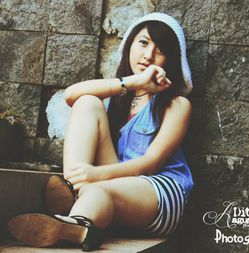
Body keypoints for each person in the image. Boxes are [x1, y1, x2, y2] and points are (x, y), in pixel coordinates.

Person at [8, 12, 194, 252]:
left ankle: (72, 214)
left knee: (98, 190)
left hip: (159, 193)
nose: (148, 55)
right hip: (114, 182)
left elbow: (150, 164)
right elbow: (71, 95)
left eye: (160, 50)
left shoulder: (177, 104)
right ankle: (77, 213)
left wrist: (95, 174)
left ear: (171, 60)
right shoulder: (117, 99)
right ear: (129, 44)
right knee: (87, 102)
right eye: (144, 42)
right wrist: (135, 82)